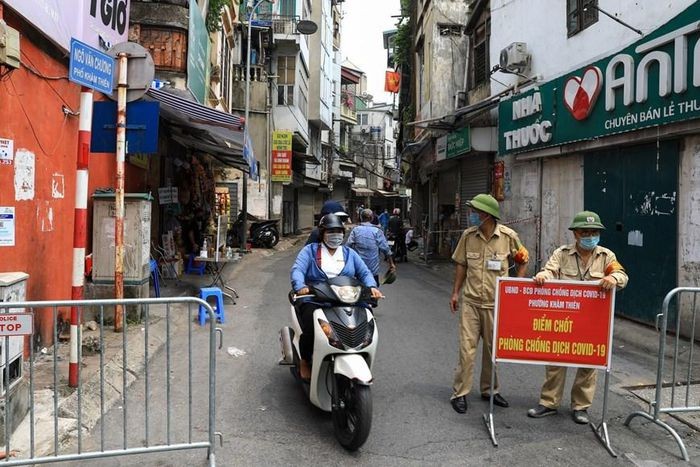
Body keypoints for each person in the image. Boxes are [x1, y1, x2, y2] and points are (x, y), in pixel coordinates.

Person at [527, 210, 628, 425]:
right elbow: (550, 271)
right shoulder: (562, 254)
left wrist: (613, 278)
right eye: (585, 232)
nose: (590, 236)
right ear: (576, 234)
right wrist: (544, 275)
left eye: (594, 232)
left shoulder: (606, 256)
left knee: (588, 364)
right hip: (564, 320)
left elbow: (622, 275)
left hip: (592, 321)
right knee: (555, 361)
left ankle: (581, 407)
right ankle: (548, 403)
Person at [449, 194, 530, 414]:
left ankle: (490, 390)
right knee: (467, 350)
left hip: (497, 304)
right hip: (471, 303)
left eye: (475, 211)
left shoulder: (508, 236)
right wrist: (456, 292)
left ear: (487, 215)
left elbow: (523, 259)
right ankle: (460, 393)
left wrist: (517, 286)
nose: (472, 215)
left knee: (492, 351)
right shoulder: (468, 236)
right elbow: (461, 265)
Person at [291, 214, 383, 380]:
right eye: (331, 231)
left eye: (339, 231)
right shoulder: (310, 251)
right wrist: (301, 287)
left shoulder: (349, 253)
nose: (336, 235)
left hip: (346, 298)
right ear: (322, 233)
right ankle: (305, 360)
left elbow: (364, 272)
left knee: (367, 320)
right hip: (317, 299)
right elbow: (298, 270)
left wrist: (372, 287)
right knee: (311, 326)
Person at [346, 208, 396, 285]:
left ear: (361, 218)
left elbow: (348, 246)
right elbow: (386, 249)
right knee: (373, 291)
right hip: (373, 269)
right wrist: (391, 264)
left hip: (358, 268)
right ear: (371, 218)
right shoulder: (377, 231)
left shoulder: (356, 230)